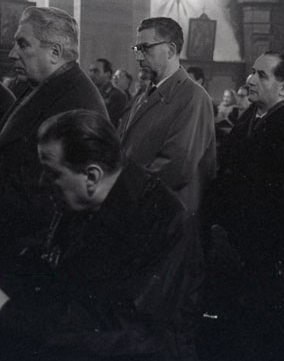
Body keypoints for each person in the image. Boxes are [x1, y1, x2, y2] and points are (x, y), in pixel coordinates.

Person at [0, 109, 202, 359]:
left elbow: (125, 330)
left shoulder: (165, 221)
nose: (43, 182)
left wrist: (9, 311)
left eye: (52, 173)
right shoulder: (86, 198)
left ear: (92, 176)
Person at [207, 52, 284, 361]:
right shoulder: (249, 118)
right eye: (252, 72)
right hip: (233, 249)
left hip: (269, 258)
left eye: (262, 75)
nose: (250, 79)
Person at [0, 6, 107, 267]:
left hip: (33, 252)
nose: (13, 53)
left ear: (55, 53)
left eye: (23, 44)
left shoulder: (76, 102)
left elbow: (51, 196)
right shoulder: (41, 86)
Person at [118, 17, 216, 213]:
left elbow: (176, 167)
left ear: (171, 50)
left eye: (146, 48)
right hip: (140, 206)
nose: (139, 57)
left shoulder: (193, 96)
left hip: (167, 212)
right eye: (137, 49)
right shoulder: (144, 94)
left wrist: (123, 190)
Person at [88, 58, 128, 126]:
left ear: (107, 74)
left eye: (96, 71)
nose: (91, 74)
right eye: (90, 71)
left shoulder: (117, 96)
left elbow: (113, 122)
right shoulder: (89, 93)